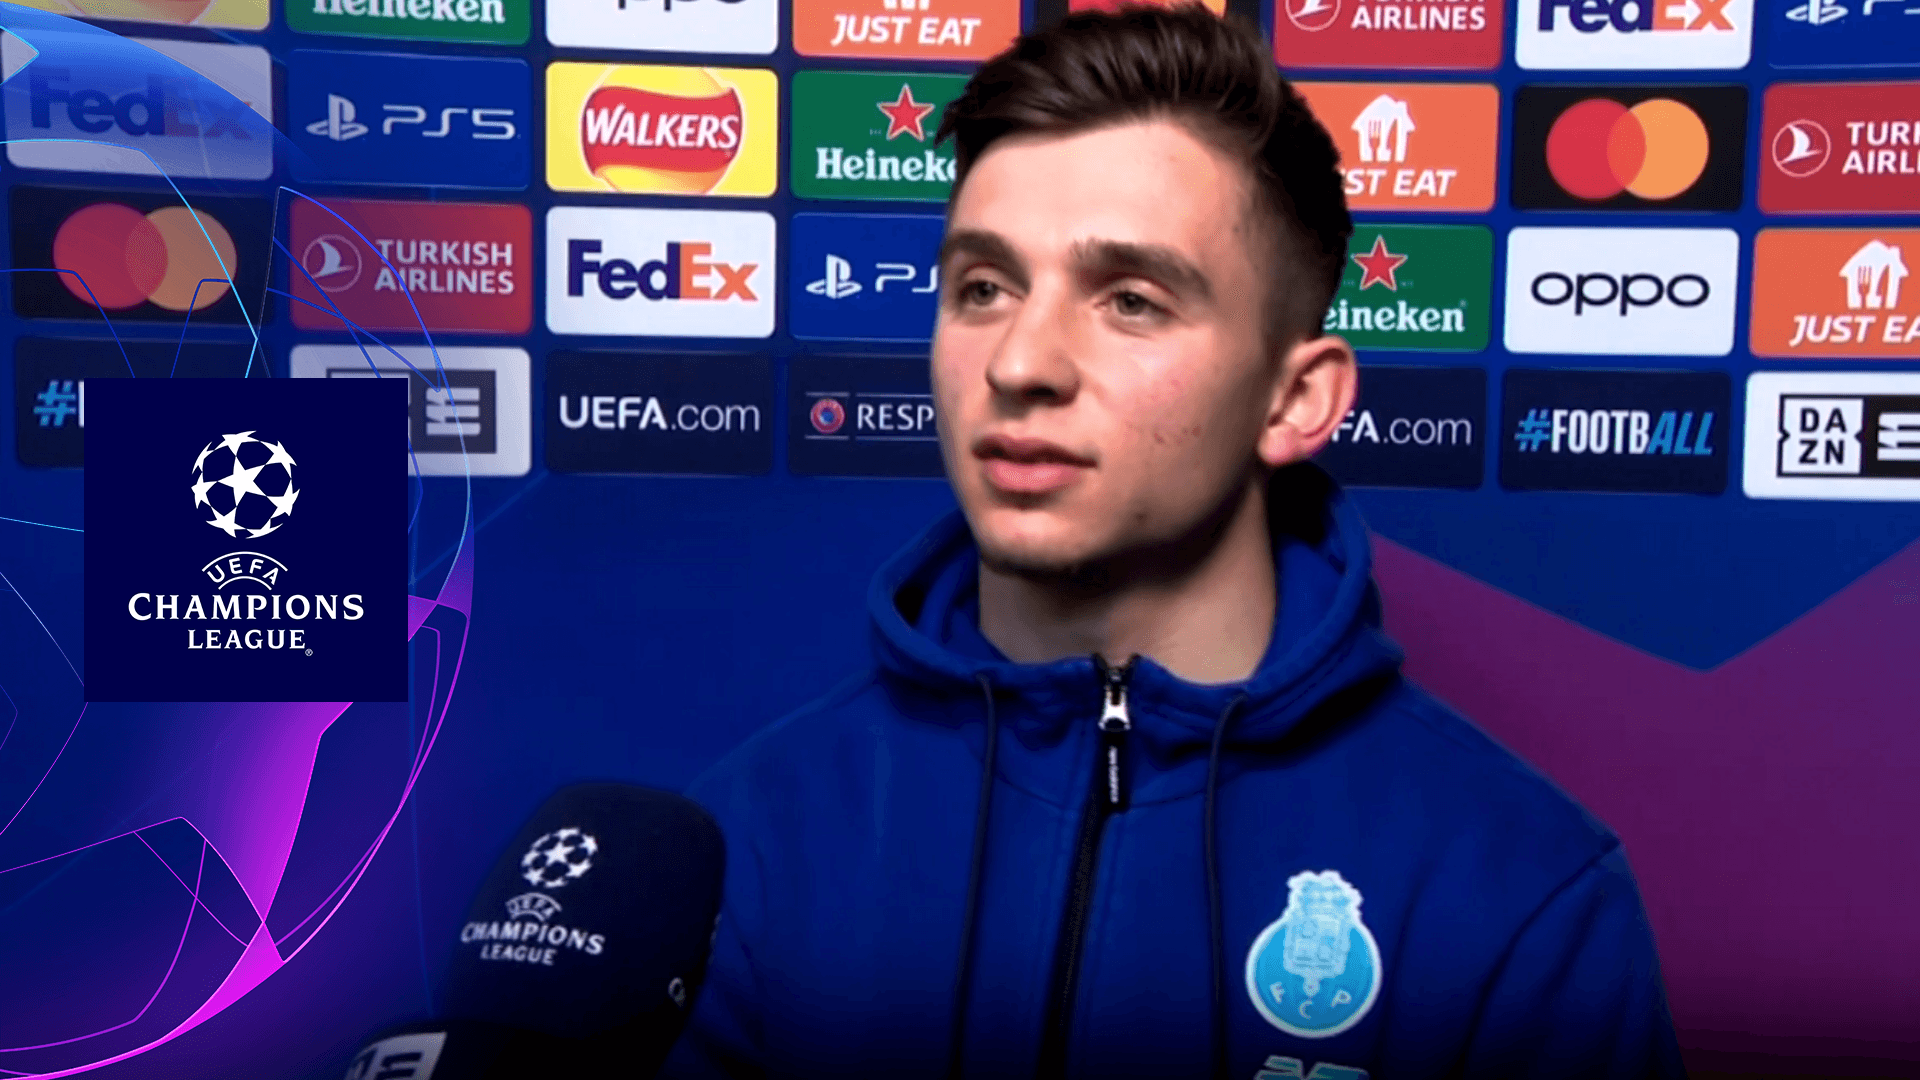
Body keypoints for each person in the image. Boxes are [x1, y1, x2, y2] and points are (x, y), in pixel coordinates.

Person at [663, 7, 1685, 1078]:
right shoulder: (755, 836)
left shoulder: (1522, 894)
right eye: (984, 288)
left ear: (1294, 399)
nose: (1020, 363)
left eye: (1132, 301)